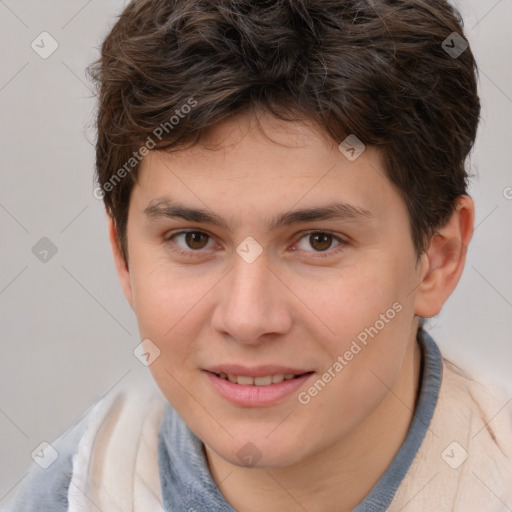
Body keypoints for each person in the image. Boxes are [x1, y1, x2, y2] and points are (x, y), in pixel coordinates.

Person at [4, 0, 512, 511]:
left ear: (438, 258)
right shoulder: (67, 494)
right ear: (124, 257)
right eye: (194, 239)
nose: (248, 319)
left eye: (319, 241)